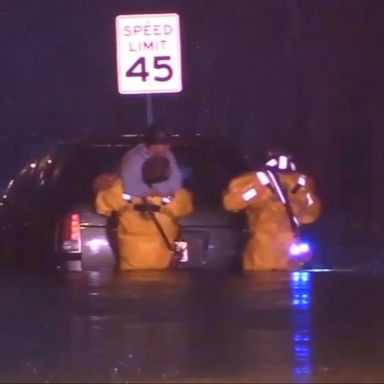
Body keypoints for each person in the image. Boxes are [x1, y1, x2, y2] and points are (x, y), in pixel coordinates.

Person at [223, 148, 321, 271]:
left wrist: (257, 188)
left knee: (262, 284)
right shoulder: (303, 182)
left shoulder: (254, 180)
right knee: (290, 286)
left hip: (264, 247)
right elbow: (310, 216)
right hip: (292, 248)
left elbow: (231, 204)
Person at [95, 155, 193, 271]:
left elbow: (101, 207)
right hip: (163, 264)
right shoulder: (179, 195)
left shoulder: (118, 190)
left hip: (130, 265)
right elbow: (186, 210)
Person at [120, 122, 182, 198]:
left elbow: (176, 182)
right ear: (154, 144)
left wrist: (158, 190)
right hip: (135, 199)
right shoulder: (134, 157)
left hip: (160, 197)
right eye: (164, 144)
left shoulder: (168, 155)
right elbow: (131, 188)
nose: (168, 147)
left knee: (182, 196)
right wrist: (148, 191)